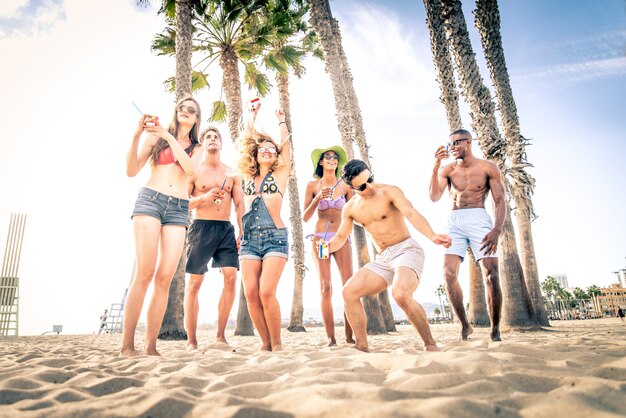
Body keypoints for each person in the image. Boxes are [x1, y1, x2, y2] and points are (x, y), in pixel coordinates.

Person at [319, 159, 452, 352]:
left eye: (370, 179)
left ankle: (430, 344)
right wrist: (324, 248)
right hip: (383, 259)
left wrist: (433, 235)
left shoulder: (390, 192)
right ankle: (362, 345)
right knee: (349, 291)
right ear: (351, 188)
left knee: (400, 294)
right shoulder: (351, 208)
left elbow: (411, 213)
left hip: (407, 250)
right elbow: (340, 237)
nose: (370, 186)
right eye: (363, 186)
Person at [122, 97, 201, 356]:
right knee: (144, 274)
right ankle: (127, 346)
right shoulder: (156, 138)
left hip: (178, 208)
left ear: (196, 118)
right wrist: (136, 136)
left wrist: (168, 136)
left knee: (164, 278)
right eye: (182, 108)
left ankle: (151, 346)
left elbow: (189, 169)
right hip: (151, 201)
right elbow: (132, 170)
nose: (186, 112)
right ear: (176, 112)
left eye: (192, 110)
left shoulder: (196, 147)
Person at [429, 129, 506, 342]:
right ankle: (465, 325)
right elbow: (434, 196)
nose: (452, 147)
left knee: (491, 274)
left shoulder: (487, 168)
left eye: (456, 143)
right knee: (448, 274)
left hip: (480, 219)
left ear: (468, 143)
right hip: (455, 221)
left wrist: (496, 230)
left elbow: (500, 201)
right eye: (449, 143)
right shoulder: (447, 170)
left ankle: (495, 329)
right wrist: (435, 167)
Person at [237, 103, 291, 352]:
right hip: (249, 240)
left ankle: (277, 344)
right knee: (250, 293)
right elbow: (246, 140)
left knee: (266, 291)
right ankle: (266, 342)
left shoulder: (279, 176)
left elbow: (287, 150)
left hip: (274, 238)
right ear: (255, 155)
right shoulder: (248, 177)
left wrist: (281, 120)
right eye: (263, 150)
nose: (268, 152)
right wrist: (253, 115)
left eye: (272, 150)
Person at [184, 126, 244, 350]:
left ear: (221, 143)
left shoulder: (231, 173)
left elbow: (239, 204)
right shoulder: (195, 172)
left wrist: (241, 229)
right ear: (202, 143)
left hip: (225, 229)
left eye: (216, 136)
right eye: (208, 137)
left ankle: (220, 336)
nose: (212, 139)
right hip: (201, 228)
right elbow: (184, 202)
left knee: (230, 277)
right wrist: (204, 197)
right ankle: (192, 341)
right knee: (195, 283)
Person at [303, 146, 354, 346]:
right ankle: (331, 339)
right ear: (321, 162)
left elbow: (355, 215)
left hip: (341, 238)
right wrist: (318, 198)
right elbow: (305, 217)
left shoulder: (346, 187)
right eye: (327, 157)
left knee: (348, 287)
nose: (332, 159)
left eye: (335, 157)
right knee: (326, 288)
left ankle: (349, 337)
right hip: (321, 238)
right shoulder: (313, 185)